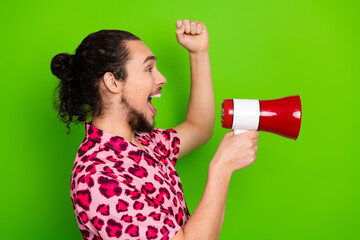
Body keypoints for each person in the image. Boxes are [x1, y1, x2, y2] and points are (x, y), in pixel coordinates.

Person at [51, 19, 259, 240]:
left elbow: (199, 128)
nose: (161, 78)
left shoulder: (144, 142)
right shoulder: (98, 178)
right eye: (149, 69)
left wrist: (199, 54)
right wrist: (222, 168)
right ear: (112, 82)